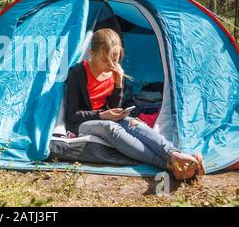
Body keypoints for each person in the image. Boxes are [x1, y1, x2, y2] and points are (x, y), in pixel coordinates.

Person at [65, 28, 205, 180]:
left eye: (116, 59)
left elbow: (113, 107)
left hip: (105, 116)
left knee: (134, 123)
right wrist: (101, 115)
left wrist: (118, 85)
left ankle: (175, 154)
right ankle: (169, 165)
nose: (111, 65)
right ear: (91, 54)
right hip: (81, 123)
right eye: (105, 60)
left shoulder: (114, 72)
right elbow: (72, 115)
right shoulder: (78, 73)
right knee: (111, 128)